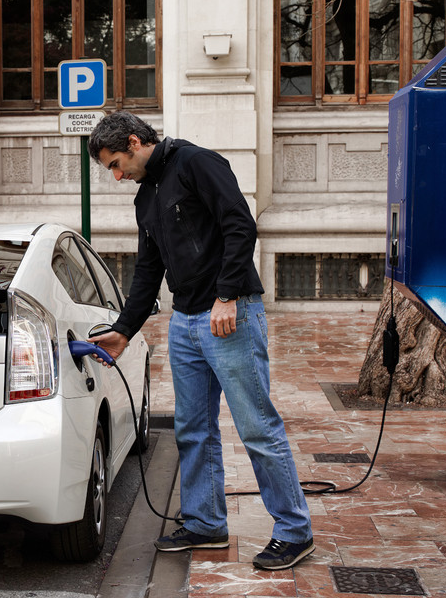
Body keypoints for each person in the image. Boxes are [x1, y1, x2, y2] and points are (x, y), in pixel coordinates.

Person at [86, 111, 314, 570]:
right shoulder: (145, 194)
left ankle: (294, 531)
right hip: (185, 323)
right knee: (193, 430)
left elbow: (239, 226)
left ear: (134, 141)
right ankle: (205, 524)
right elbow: (149, 268)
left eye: (115, 163)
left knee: (256, 427)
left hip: (229, 316)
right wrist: (124, 331)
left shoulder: (197, 163)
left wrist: (227, 295)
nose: (115, 176)